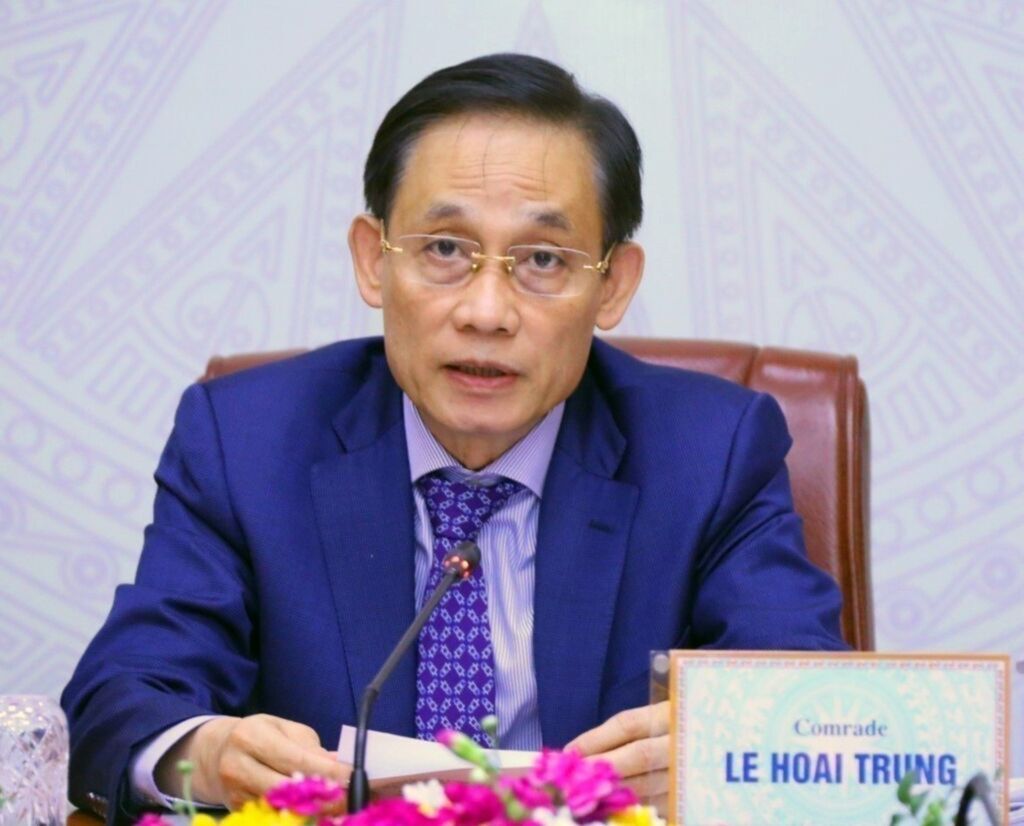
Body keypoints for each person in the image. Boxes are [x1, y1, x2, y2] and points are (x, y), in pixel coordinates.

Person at [61, 53, 846, 824]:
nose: (485, 312)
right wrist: (206, 754)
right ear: (373, 261)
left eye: (543, 258)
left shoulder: (710, 452)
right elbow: (121, 700)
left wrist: (725, 752)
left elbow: (816, 711)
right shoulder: (246, 442)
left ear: (612, 284)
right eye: (444, 249)